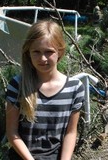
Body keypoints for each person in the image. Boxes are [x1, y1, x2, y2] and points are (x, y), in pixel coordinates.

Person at [5, 20, 85, 160]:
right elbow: (12, 133)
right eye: (36, 52)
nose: (43, 58)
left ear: (60, 52)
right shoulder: (17, 86)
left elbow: (71, 133)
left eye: (49, 52)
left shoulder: (75, 88)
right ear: (28, 52)